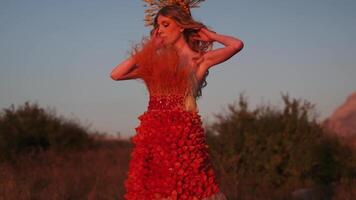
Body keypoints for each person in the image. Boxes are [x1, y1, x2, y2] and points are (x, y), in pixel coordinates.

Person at [110, 2, 243, 200]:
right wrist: (149, 48)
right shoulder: (154, 62)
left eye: (165, 24)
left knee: (186, 188)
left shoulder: (199, 60)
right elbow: (116, 74)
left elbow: (237, 45)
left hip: (181, 135)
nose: (160, 31)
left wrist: (210, 35)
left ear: (181, 26)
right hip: (152, 133)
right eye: (157, 26)